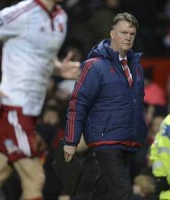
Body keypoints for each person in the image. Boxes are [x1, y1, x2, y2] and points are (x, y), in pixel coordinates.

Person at [0, 0, 80, 200]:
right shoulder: (23, 12)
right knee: (34, 179)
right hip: (13, 106)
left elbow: (41, 57)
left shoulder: (61, 17)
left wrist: (59, 68)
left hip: (31, 110)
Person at [63, 12, 148, 200]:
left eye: (132, 34)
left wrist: (141, 131)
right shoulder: (95, 66)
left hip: (128, 139)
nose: (128, 37)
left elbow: (137, 104)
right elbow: (78, 102)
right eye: (123, 32)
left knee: (104, 192)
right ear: (112, 34)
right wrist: (71, 141)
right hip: (106, 140)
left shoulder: (136, 67)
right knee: (123, 191)